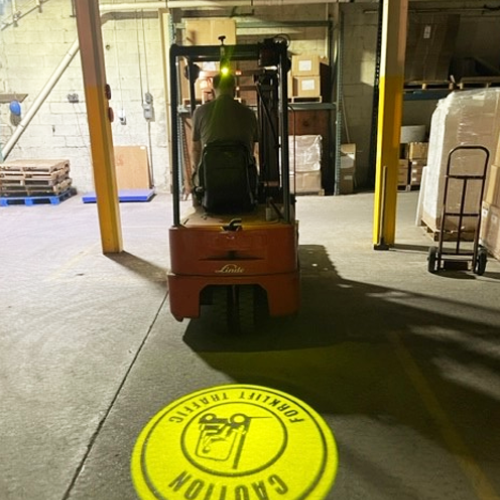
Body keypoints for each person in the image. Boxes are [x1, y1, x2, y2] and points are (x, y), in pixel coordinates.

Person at [190, 72, 258, 196]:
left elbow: (195, 149)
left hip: (210, 181)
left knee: (197, 180)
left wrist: (196, 175)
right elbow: (251, 150)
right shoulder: (249, 114)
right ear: (234, 90)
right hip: (241, 182)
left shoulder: (200, 112)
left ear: (213, 90)